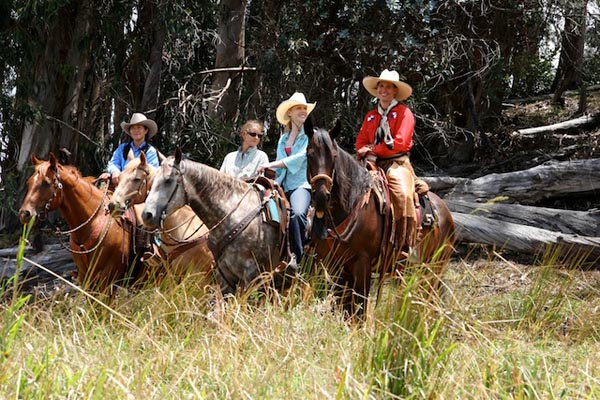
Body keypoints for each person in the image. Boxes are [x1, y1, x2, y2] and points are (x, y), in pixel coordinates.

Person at [355, 69, 429, 253]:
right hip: (372, 163)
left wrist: (372, 149)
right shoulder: (371, 116)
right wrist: (364, 151)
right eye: (381, 86)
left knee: (402, 195)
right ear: (377, 90)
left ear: (395, 91)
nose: (384, 90)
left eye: (388, 87)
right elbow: (360, 141)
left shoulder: (404, 113)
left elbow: (399, 143)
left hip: (396, 163)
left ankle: (406, 243)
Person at [258, 92, 315, 262]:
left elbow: (300, 158)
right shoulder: (283, 139)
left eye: (304, 108)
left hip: (301, 184)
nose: (303, 111)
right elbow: (282, 167)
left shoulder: (310, 135)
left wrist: (271, 165)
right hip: (283, 185)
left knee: (297, 214)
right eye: (299, 108)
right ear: (290, 112)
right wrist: (273, 183)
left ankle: (298, 258)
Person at [99, 113, 161, 188]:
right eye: (133, 128)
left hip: (139, 190)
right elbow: (113, 163)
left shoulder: (150, 151)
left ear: (146, 130)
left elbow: (152, 174)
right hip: (119, 186)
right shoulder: (122, 148)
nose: (136, 130)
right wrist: (115, 172)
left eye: (139, 127)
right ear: (130, 131)